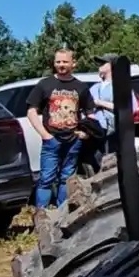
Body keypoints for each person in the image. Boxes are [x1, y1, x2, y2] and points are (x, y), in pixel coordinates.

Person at [26, 49, 94, 210]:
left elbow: (90, 113)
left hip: (73, 140)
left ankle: (62, 214)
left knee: (66, 179)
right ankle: (41, 215)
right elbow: (31, 111)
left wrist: (85, 133)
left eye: (65, 62)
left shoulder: (80, 87)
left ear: (73, 63)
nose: (61, 65)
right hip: (52, 140)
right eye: (58, 62)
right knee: (46, 179)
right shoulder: (45, 84)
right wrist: (45, 135)